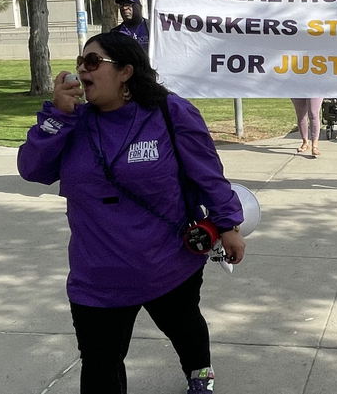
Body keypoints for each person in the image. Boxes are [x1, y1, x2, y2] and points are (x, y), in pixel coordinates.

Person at [17, 32, 245, 394]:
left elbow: (206, 174)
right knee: (100, 363)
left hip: (168, 262)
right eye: (80, 62)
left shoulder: (170, 113)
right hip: (98, 276)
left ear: (125, 71)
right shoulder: (74, 122)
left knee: (184, 326)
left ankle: (200, 373)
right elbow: (32, 169)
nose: (80, 70)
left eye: (92, 62)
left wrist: (227, 224)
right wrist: (57, 116)